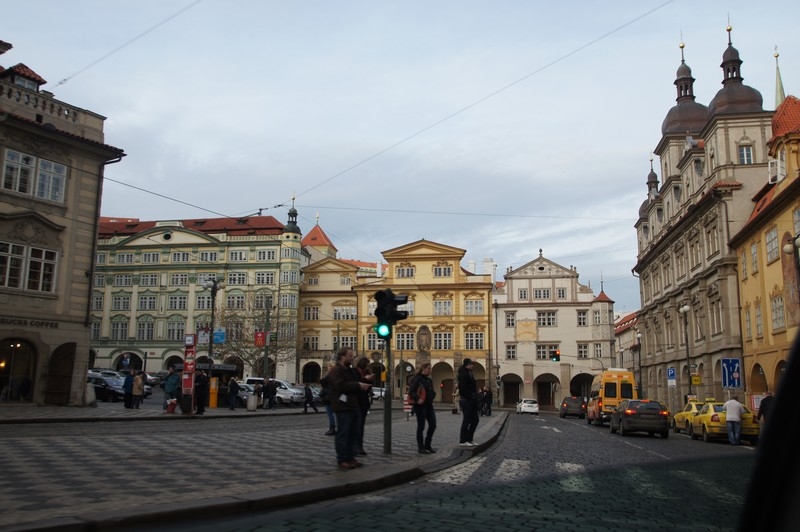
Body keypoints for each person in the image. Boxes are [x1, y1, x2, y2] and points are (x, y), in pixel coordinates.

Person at [328, 347, 371, 470]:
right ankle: (342, 459)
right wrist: (358, 385)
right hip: (342, 406)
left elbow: (356, 381)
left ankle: (351, 457)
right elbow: (341, 386)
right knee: (343, 432)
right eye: (350, 355)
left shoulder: (349, 370)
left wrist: (363, 381)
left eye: (352, 355)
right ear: (342, 356)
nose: (352, 358)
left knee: (353, 432)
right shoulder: (336, 371)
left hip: (353, 404)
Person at [409, 362, 437, 454]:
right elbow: (411, 391)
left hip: (429, 405)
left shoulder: (429, 380)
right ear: (424, 369)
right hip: (420, 406)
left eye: (430, 368)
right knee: (421, 426)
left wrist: (433, 395)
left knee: (433, 425)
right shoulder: (418, 379)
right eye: (429, 368)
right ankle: (421, 447)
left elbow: (431, 391)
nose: (430, 370)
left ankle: (427, 445)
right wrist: (417, 399)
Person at [457, 358, 479, 446]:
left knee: (475, 420)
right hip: (466, 400)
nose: (472, 365)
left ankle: (469, 439)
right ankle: (463, 440)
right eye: (471, 364)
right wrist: (469, 397)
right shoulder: (463, 373)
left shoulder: (470, 372)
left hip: (471, 399)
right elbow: (463, 388)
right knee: (467, 420)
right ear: (467, 364)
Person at [353, 356, 372, 456]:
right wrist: (365, 379)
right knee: (357, 426)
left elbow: (368, 387)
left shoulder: (365, 372)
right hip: (357, 402)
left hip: (364, 402)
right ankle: (356, 447)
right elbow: (357, 384)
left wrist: (369, 378)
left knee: (361, 426)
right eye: (367, 364)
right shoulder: (355, 371)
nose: (368, 366)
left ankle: (359, 447)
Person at [319, 362, 336, 435]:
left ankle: (332, 428)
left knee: (330, 414)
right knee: (334, 414)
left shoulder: (329, 375)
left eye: (329, 366)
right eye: (328, 366)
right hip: (332, 396)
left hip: (328, 397)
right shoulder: (335, 375)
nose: (328, 367)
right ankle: (333, 428)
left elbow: (322, 383)